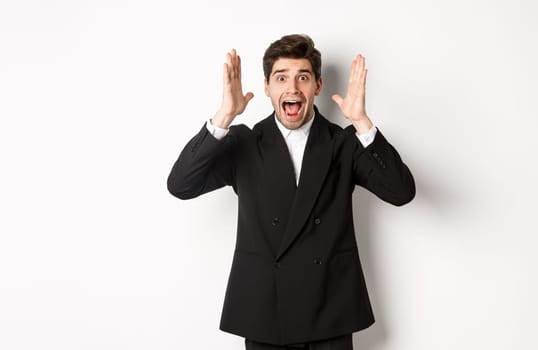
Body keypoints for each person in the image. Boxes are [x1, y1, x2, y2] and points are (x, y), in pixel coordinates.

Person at [166, 34, 415, 349]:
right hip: (266, 313)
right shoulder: (243, 142)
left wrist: (362, 123)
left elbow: (401, 192)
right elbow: (180, 185)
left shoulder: (343, 143)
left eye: (303, 77)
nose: (292, 88)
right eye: (281, 78)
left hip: (329, 310)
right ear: (268, 88)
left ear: (318, 87)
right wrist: (224, 117)